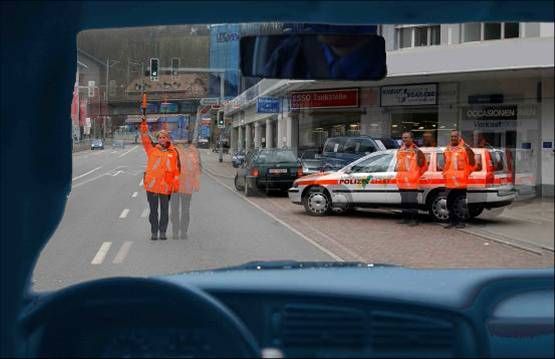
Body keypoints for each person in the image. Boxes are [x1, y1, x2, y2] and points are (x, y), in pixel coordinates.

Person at [139, 119, 180, 240]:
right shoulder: (151, 150)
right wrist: (144, 125)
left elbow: (176, 170)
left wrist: (175, 185)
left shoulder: (173, 152)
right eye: (160, 137)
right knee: (153, 211)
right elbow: (145, 138)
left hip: (166, 187)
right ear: (157, 139)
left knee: (164, 211)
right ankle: (154, 231)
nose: (162, 139)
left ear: (168, 139)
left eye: (164, 137)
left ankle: (162, 232)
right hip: (152, 187)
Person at [442, 130, 476, 229]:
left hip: (461, 182)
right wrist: (445, 173)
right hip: (450, 182)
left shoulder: (465, 149)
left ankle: (461, 222)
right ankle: (452, 221)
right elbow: (446, 163)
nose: (453, 138)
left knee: (460, 204)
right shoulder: (447, 149)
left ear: (459, 137)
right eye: (452, 136)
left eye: (455, 136)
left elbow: (472, 164)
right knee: (449, 203)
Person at [170, 139, 201, 240]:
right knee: (174, 210)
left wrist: (196, 183)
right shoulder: (172, 152)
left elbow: (197, 169)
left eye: (183, 143)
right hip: (175, 186)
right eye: (179, 143)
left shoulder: (193, 153)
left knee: (185, 210)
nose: (181, 145)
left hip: (187, 186)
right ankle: (175, 231)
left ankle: (183, 231)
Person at [395, 131, 426, 226]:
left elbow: (423, 166)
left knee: (412, 202)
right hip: (402, 181)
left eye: (406, 138)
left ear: (411, 139)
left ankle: (414, 219)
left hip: (412, 182)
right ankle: (405, 218)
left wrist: (416, 175)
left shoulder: (417, 151)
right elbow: (398, 164)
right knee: (404, 201)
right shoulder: (400, 150)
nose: (404, 140)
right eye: (403, 138)